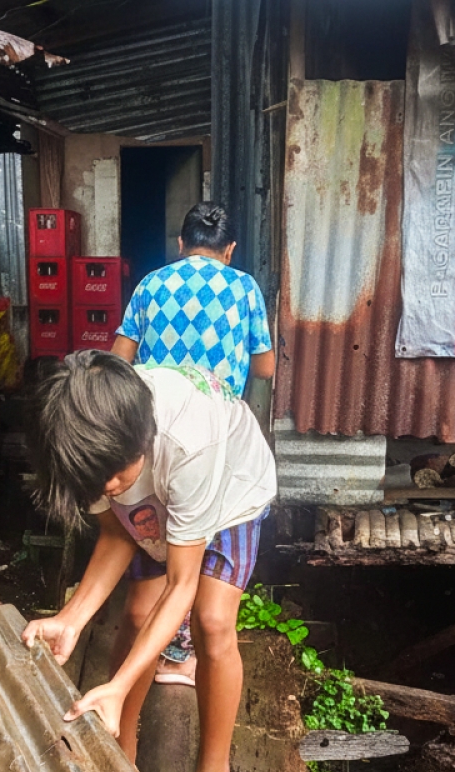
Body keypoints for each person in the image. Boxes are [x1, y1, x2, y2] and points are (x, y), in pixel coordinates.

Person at [21, 351, 275, 772]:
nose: (107, 489)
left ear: (143, 438)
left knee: (212, 621)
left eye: (114, 476)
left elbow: (182, 585)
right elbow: (117, 535)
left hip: (229, 492)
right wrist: (72, 618)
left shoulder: (189, 439)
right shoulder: (82, 443)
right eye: (96, 482)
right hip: (165, 491)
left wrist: (114, 683)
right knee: (136, 616)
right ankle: (122, 756)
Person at [110, 201, 276, 687]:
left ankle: (165, 647)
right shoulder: (244, 287)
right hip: (212, 436)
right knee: (199, 530)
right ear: (230, 250)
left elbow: (119, 359)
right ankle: (183, 653)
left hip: (152, 431)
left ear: (180, 245)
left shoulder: (151, 284)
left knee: (161, 535)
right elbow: (264, 369)